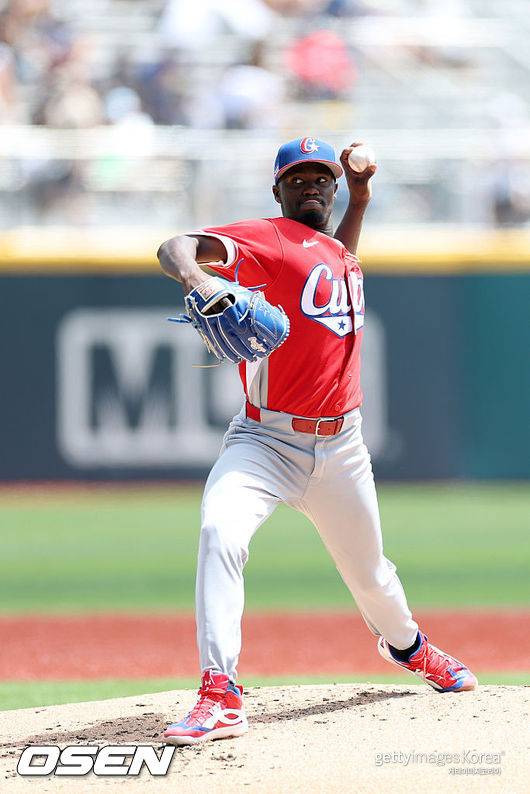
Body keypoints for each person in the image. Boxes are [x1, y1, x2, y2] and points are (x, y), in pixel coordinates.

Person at [157, 136, 477, 745]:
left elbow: (335, 264)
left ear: (332, 186)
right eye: (297, 178)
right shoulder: (266, 238)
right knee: (219, 532)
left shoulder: (335, 250)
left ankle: (409, 647)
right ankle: (219, 692)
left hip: (343, 449)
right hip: (264, 442)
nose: (310, 185)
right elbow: (173, 247)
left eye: (320, 178)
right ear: (277, 189)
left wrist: (360, 201)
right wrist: (199, 277)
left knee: (372, 575)